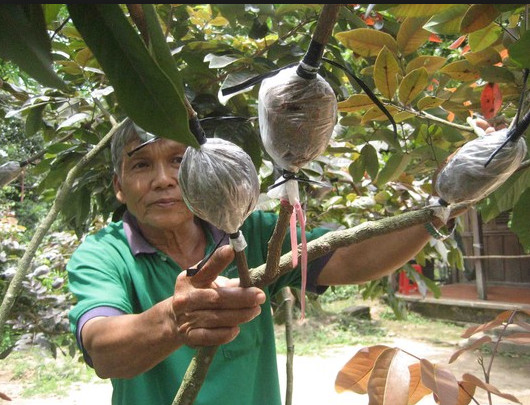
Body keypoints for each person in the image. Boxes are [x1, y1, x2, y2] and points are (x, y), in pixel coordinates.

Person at [67, 117, 460, 405]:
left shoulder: (249, 233)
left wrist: (444, 209)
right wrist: (175, 318)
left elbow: (348, 257)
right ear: (118, 186)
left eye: (177, 160)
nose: (163, 179)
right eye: (140, 165)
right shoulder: (104, 254)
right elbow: (103, 348)